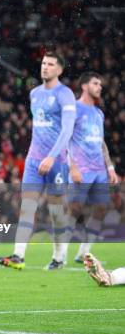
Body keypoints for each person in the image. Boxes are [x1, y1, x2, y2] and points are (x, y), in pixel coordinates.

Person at [0, 52, 76, 270]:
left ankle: (59, 256)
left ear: (59, 70)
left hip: (57, 161)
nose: (45, 67)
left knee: (56, 213)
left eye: (50, 64)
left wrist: (52, 156)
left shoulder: (65, 94)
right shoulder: (34, 94)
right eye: (43, 63)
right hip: (34, 160)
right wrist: (39, 155)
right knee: (27, 207)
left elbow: (67, 129)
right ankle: (18, 256)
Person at [67, 72, 119, 262]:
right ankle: (60, 256)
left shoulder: (99, 113)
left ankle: (84, 253)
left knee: (101, 209)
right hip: (81, 168)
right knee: (73, 208)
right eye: (96, 83)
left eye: (100, 84)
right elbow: (64, 139)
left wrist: (110, 167)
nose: (100, 87)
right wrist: (72, 167)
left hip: (99, 170)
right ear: (84, 86)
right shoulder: (73, 109)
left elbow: (101, 142)